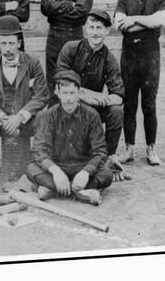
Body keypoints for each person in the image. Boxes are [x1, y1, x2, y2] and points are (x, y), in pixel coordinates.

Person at [0, 15, 48, 184]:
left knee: (46, 119)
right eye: (4, 43)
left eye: (12, 43)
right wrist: (1, 118)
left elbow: (41, 95)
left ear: (19, 43)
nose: (8, 49)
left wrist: (20, 116)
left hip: (25, 120)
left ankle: (39, 165)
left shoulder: (32, 63)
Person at [56, 10, 128, 181]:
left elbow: (118, 95)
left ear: (107, 31)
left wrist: (97, 99)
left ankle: (109, 157)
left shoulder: (109, 59)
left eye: (100, 28)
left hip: (92, 108)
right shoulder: (71, 48)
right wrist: (88, 94)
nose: (95, 32)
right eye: (92, 27)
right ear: (86, 28)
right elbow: (60, 80)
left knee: (116, 112)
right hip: (68, 103)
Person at [114, 0, 165, 166]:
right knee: (129, 104)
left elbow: (161, 20)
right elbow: (120, 24)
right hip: (129, 58)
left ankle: (151, 149)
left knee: (149, 105)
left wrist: (135, 19)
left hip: (150, 58)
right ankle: (129, 149)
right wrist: (149, 24)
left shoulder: (160, 0)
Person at [27, 70, 113, 205]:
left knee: (107, 174)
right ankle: (80, 192)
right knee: (31, 169)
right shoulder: (48, 116)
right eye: (65, 93)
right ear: (58, 93)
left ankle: (52, 190)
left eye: (72, 93)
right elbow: (38, 151)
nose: (68, 99)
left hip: (82, 166)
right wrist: (55, 171)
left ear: (79, 93)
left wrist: (86, 172)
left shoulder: (92, 115)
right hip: (57, 167)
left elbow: (100, 151)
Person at [40, 0, 93, 99]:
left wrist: (54, 5)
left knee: (74, 85)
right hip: (53, 39)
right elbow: (44, 7)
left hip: (74, 40)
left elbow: (81, 11)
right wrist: (69, 5)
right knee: (53, 87)